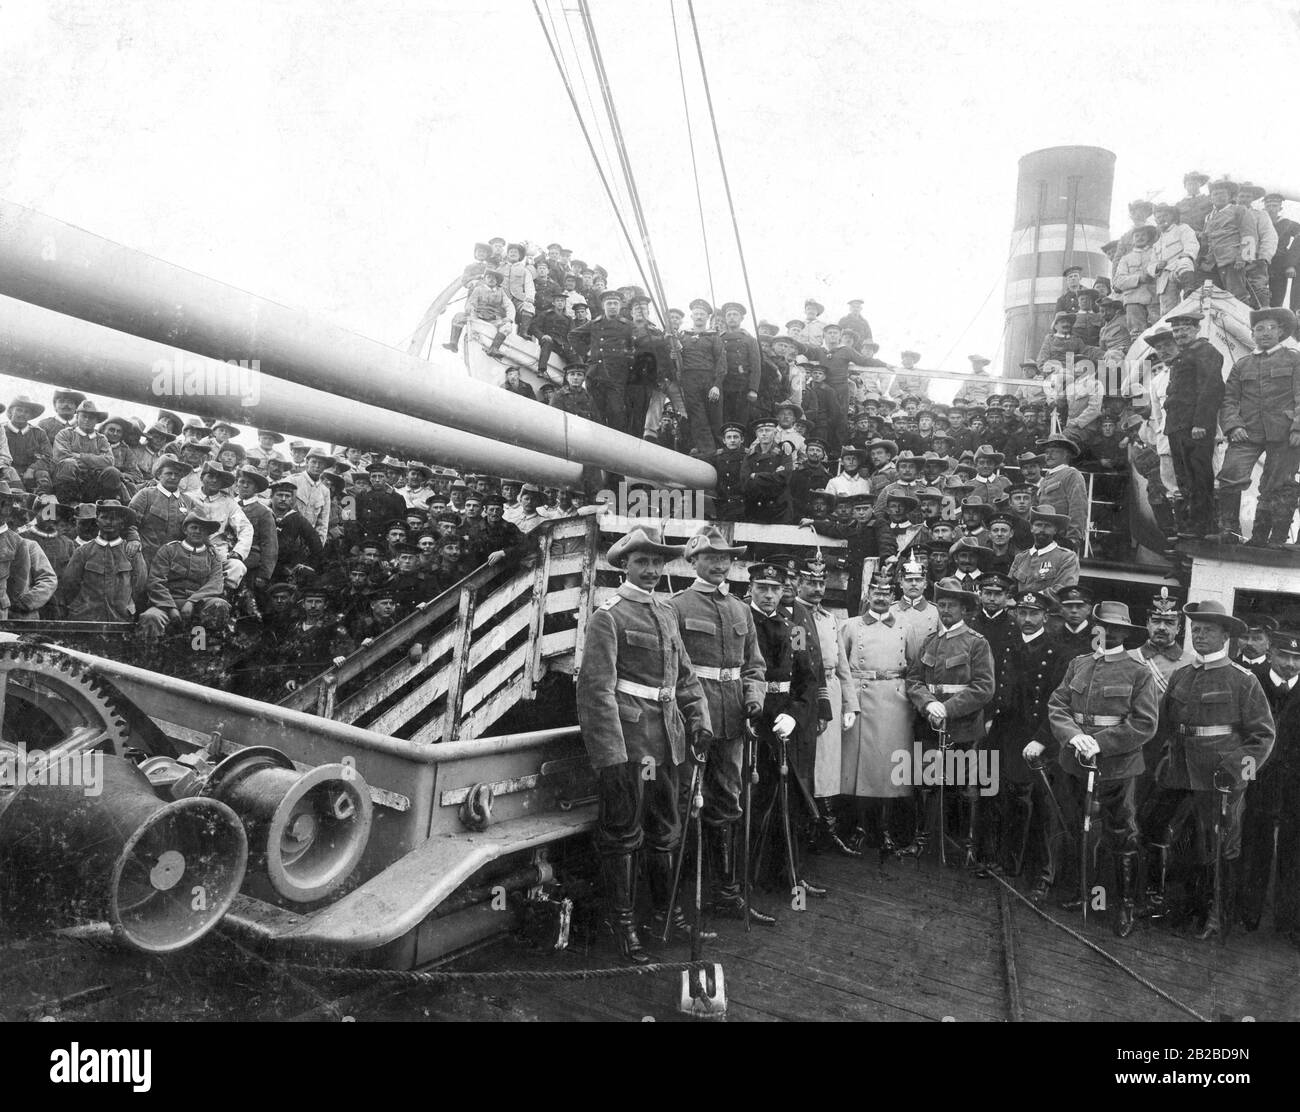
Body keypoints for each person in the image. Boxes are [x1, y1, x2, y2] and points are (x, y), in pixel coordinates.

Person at [576, 525, 711, 964]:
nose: (652, 570)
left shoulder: (667, 611)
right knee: (622, 834)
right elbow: (596, 691)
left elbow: (684, 675)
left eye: (657, 562)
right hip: (631, 745)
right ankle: (623, 922)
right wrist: (611, 756)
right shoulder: (608, 616)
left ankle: (664, 915)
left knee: (665, 829)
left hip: (668, 740)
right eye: (642, 562)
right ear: (624, 566)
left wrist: (699, 720)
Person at [1140, 602, 1275, 941]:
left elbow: (1262, 736)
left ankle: (1213, 916)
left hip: (1218, 773)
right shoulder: (1182, 674)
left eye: (1208, 630)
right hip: (1177, 771)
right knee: (1158, 829)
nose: (1199, 635)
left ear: (1226, 637)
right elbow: (1164, 723)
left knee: (1215, 846)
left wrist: (1238, 772)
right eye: (1195, 629)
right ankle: (1174, 905)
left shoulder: (1243, 680)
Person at [669, 526, 773, 924]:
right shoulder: (676, 607)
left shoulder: (740, 609)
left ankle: (726, 894)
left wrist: (754, 699)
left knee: (727, 803)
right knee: (685, 803)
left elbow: (755, 667)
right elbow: (674, 671)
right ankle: (677, 903)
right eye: (711, 557)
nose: (720, 564)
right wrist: (690, 716)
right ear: (693, 560)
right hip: (694, 721)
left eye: (726, 557)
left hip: (733, 721)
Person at [1040, 601, 1158, 936]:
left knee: (1121, 834)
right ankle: (1087, 895)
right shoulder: (1078, 664)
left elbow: (1145, 723)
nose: (1109, 633)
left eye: (1117, 628)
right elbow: (1057, 704)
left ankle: (1124, 906)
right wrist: (1074, 737)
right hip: (1075, 762)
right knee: (1081, 827)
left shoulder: (1139, 672)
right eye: (1103, 626)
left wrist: (1101, 743)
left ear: (1126, 633)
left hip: (1117, 767)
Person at [905, 577, 996, 866]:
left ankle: (966, 846)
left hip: (963, 727)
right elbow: (914, 680)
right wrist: (929, 704)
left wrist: (949, 709)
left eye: (952, 605)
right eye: (941, 604)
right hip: (929, 722)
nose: (945, 610)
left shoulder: (976, 643)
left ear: (964, 609)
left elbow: (984, 687)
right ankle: (922, 841)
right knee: (925, 783)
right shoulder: (930, 641)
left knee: (963, 786)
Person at [745, 558, 821, 898]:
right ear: (750, 589)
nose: (769, 595)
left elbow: (807, 679)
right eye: (762, 588)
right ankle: (747, 880)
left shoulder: (795, 628)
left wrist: (794, 714)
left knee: (789, 799)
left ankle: (790, 874)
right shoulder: (741, 623)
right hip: (752, 722)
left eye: (775, 589)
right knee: (753, 800)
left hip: (785, 722)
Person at [840, 572, 922, 854]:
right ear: (867, 593)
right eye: (875, 589)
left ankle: (886, 829)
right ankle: (861, 828)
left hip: (894, 700)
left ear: (893, 594)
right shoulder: (850, 626)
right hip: (862, 696)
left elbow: (914, 665)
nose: (880, 595)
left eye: (886, 591)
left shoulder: (906, 626)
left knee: (890, 766)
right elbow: (842, 668)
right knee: (860, 768)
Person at [998, 590, 1069, 899]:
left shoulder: (1058, 653)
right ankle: (1011, 864)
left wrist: (1041, 740)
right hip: (1012, 736)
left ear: (1045, 617)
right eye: (1022, 613)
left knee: (1044, 809)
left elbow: (1058, 704)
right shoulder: (1009, 648)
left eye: (1033, 614)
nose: (1026, 619)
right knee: (1014, 802)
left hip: (1042, 739)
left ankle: (1044, 874)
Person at [1211, 308, 1300, 547]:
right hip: (1247, 432)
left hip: (1284, 433)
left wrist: (1297, 429)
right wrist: (1232, 426)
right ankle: (1228, 530)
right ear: (1252, 334)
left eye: (1271, 328)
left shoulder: (1294, 359)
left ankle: (1266, 537)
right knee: (1229, 476)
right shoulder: (1242, 365)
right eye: (1259, 329)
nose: (1265, 333)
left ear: (1281, 332)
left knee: (1278, 484)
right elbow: (1228, 400)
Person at [1237, 629, 1300, 943]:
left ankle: (1289, 921)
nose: (1290, 664)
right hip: (1257, 777)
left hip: (1296, 784)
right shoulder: (1251, 680)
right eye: (1285, 656)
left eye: (1297, 658)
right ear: (1272, 653)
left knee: (1294, 850)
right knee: (1253, 843)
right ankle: (1246, 914)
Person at [1157, 312, 1223, 539]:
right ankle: (1192, 525)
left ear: (1196, 329)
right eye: (1176, 330)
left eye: (1185, 329)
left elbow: (1211, 388)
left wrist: (1201, 423)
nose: (1180, 333)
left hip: (1194, 426)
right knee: (1184, 477)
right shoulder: (1183, 356)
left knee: (1199, 476)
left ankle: (1204, 526)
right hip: (1177, 426)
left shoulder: (1206, 352)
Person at [139, 513, 229, 641]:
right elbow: (156, 581)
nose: (198, 531)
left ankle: (207, 652)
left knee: (219, 605)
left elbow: (215, 584)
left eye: (203, 529)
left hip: (200, 605)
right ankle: (150, 657)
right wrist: (170, 607)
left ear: (208, 533)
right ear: (185, 529)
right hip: (166, 604)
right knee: (150, 617)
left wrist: (192, 601)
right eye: (194, 527)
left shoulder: (213, 556)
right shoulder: (169, 550)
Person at [57, 500, 148, 622]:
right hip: (87, 618)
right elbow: (70, 584)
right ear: (97, 521)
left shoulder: (131, 552)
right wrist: (82, 607)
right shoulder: (83, 552)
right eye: (104, 517)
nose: (109, 522)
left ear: (122, 523)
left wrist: (126, 606)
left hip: (121, 618)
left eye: (114, 518)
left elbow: (139, 585)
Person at [675, 298, 727, 455]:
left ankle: (719, 451)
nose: (699, 317)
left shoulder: (714, 337)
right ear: (691, 316)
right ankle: (706, 453)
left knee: (715, 417)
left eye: (702, 314)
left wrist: (717, 385)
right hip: (689, 380)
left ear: (707, 318)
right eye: (696, 314)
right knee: (697, 418)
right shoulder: (682, 337)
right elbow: (676, 360)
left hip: (709, 380)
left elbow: (721, 362)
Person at [52, 398, 127, 505]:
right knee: (68, 464)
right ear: (77, 417)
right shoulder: (65, 434)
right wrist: (95, 461)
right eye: (84, 416)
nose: (87, 420)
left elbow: (109, 461)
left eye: (91, 418)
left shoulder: (101, 439)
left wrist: (80, 456)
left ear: (97, 421)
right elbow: (61, 456)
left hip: (92, 483)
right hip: (70, 481)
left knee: (112, 471)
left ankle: (105, 505)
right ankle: (68, 504)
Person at [1197, 180, 1258, 304]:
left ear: (1230, 196)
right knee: (1213, 298)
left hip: (1231, 261)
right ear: (1211, 198)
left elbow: (1249, 235)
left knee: (1237, 297)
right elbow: (1206, 240)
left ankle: (1243, 322)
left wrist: (1243, 258)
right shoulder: (1209, 216)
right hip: (1211, 264)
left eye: (1222, 194)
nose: (1218, 197)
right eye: (1215, 194)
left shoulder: (1239, 210)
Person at [1035, 434, 1088, 550]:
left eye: (1054, 451)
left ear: (1066, 454)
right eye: (1047, 452)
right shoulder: (1047, 478)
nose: (1049, 455)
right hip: (1043, 536)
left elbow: (1078, 507)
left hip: (1061, 538)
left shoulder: (1072, 475)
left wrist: (1073, 538)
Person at [1149, 204, 1201, 317]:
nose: (1162, 219)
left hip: (1179, 267)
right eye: (1158, 217)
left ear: (1173, 216)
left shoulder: (1182, 228)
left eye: (1165, 215)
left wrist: (1187, 254)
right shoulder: (1157, 243)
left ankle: (1189, 290)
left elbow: (1191, 243)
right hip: (1165, 277)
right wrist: (1157, 266)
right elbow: (1150, 265)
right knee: (1167, 312)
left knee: (1185, 260)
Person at [5, 395, 54, 493]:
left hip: (30, 474)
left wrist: (32, 469)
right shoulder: (2, 430)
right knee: (15, 495)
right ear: (11, 411)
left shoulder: (38, 433)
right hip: (7, 472)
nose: (22, 414)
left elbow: (48, 457)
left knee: (43, 476)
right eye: (19, 410)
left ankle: (47, 506)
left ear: (31, 415)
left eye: (26, 412)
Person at [1264, 192, 1300, 310]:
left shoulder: (1288, 223)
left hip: (1279, 264)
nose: (1271, 209)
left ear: (1280, 208)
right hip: (1261, 262)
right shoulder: (1260, 221)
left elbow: (1298, 240)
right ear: (1264, 207)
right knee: (1259, 295)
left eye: (1275, 205)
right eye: (1268, 205)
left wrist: (1290, 264)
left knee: (1277, 297)